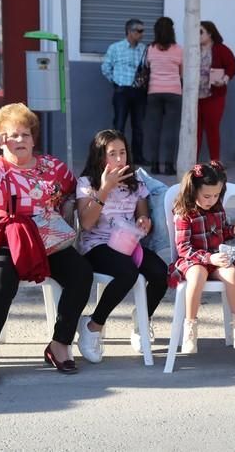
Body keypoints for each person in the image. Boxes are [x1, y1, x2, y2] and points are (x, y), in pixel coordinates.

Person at [0, 103, 93, 387]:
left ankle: (59, 344)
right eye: (12, 135)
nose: (20, 140)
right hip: (6, 243)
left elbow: (77, 190)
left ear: (34, 138)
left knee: (81, 274)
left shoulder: (52, 166)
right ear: (0, 139)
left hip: (48, 242)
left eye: (25, 135)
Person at [75, 129, 168, 363]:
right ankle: (92, 326)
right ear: (100, 157)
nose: (119, 159)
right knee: (128, 273)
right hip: (97, 245)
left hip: (127, 244)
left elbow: (142, 213)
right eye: (112, 154)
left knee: (160, 273)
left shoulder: (134, 181)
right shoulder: (87, 183)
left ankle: (142, 321)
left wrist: (143, 222)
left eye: (123, 153)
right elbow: (86, 224)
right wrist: (105, 189)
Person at [168, 161, 235, 354]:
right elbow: (183, 248)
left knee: (232, 274)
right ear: (193, 190)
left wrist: (233, 230)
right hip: (193, 260)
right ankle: (190, 326)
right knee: (196, 276)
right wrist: (208, 259)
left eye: (217, 195)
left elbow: (220, 233)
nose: (212, 199)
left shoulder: (217, 209)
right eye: (207, 196)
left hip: (216, 258)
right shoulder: (184, 213)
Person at [101, 19, 148, 165]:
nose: (142, 34)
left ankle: (137, 157)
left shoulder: (144, 49)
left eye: (142, 31)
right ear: (129, 31)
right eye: (139, 31)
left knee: (138, 125)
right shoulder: (116, 48)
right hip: (122, 90)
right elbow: (105, 67)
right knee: (119, 124)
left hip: (139, 91)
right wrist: (116, 83)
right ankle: (114, 156)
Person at [145, 16, 183, 176]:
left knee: (154, 129)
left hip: (154, 91)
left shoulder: (150, 49)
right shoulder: (178, 49)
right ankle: (168, 165)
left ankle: (154, 164)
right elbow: (181, 72)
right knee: (171, 130)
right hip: (174, 91)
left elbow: (147, 66)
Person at [198, 21, 235, 161]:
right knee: (195, 132)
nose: (197, 35)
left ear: (210, 33)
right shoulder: (193, 50)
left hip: (213, 96)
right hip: (195, 97)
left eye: (200, 32)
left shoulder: (221, 49)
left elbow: (232, 67)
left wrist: (225, 79)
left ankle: (215, 163)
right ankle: (193, 164)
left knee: (212, 129)